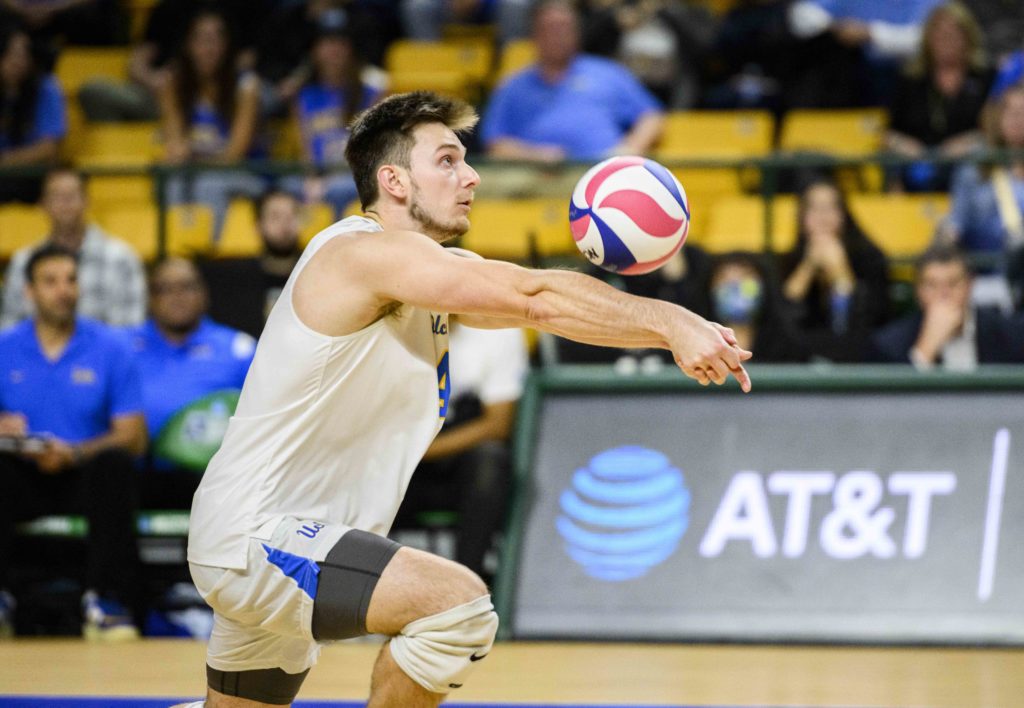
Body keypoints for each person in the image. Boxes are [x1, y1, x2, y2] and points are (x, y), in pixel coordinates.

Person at [173, 91, 750, 708]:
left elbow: (548, 312)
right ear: (392, 180)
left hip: (286, 537)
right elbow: (534, 294)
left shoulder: (421, 278)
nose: (470, 175)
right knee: (457, 608)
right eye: (447, 160)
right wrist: (666, 318)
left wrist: (671, 335)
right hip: (261, 537)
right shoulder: (362, 254)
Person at [0, 244, 146, 639]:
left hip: (84, 473)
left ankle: (106, 600)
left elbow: (133, 435)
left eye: (71, 280)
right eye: (50, 281)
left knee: (115, 464)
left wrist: (75, 452)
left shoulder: (111, 346)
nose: (63, 290)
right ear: (28, 291)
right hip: (23, 475)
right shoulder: (5, 348)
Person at [479, 0, 664, 196]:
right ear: (535, 35)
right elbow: (496, 144)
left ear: (577, 33)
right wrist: (536, 156)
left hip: (598, 171)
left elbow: (652, 116)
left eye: (564, 28)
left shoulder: (607, 73)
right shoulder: (513, 86)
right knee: (481, 186)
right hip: (532, 174)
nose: (557, 35)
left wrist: (628, 149)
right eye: (550, 28)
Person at [393, 317, 527, 581]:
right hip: (400, 463)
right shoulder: (387, 329)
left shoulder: (499, 330)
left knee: (490, 461)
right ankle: (360, 588)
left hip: (456, 460)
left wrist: (424, 451)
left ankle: (466, 584)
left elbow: (498, 425)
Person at [126, 257, 255, 508]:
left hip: (214, 477)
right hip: (139, 472)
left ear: (204, 293)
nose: (177, 297)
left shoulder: (238, 349)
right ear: (150, 297)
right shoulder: (122, 347)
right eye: (165, 289)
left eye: (186, 287)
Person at [159, 8, 265, 235]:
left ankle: (208, 254)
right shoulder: (174, 84)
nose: (209, 47)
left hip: (245, 176)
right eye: (201, 39)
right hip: (195, 172)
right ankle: (176, 249)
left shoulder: (246, 86)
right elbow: (176, 147)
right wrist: (183, 153)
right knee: (172, 181)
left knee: (210, 184)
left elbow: (233, 155)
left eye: (216, 38)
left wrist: (192, 154)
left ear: (227, 45)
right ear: (188, 45)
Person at [1, 168, 146, 330]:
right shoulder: (23, 260)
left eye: (72, 196)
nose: (65, 203)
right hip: (38, 354)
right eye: (57, 196)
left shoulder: (121, 258)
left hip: (105, 354)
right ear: (42, 204)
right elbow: (10, 327)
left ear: (87, 201)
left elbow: (129, 331)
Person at [286, 7, 387, 217]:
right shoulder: (304, 95)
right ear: (315, 49)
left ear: (351, 48)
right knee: (287, 188)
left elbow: (373, 154)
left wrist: (326, 183)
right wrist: (311, 179)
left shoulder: (373, 91)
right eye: (326, 42)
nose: (334, 50)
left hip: (356, 177)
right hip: (320, 178)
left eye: (341, 43)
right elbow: (306, 151)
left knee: (338, 190)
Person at [885, 2, 993, 192]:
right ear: (928, 38)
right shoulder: (910, 78)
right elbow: (889, 132)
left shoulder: (985, 77)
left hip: (967, 162)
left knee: (974, 164)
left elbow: (997, 129)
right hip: (916, 162)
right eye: (940, 34)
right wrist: (907, 147)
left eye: (953, 35)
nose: (946, 40)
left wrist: (968, 143)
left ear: (968, 38)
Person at [779, 177, 889, 361]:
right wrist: (808, 267)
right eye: (813, 208)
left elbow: (872, 320)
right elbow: (781, 320)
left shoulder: (869, 257)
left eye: (831, 207)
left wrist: (841, 272)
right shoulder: (789, 260)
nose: (823, 217)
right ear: (801, 216)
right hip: (802, 355)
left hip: (856, 354)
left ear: (844, 214)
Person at [869, 245, 1024, 367]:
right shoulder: (889, 345)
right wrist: (924, 352)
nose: (943, 295)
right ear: (918, 291)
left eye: (953, 284)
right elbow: (892, 404)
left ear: (970, 285)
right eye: (932, 286)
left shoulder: (1013, 336)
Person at [940, 85, 1024, 309]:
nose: (1019, 118)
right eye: (1012, 111)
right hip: (990, 278)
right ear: (998, 118)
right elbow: (954, 227)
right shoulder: (974, 171)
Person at [200, 189, 303, 339]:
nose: (285, 224)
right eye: (275, 217)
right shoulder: (234, 278)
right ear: (258, 225)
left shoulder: (315, 273)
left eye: (292, 215)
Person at [0, 24, 65, 203]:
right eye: (11, 55)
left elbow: (48, 149)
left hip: (33, 176)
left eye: (23, 55)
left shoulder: (46, 87)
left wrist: (5, 161)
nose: (18, 62)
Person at [707, 251, 808, 363]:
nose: (735, 284)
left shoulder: (789, 344)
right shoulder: (698, 343)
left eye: (745, 275)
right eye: (724, 278)